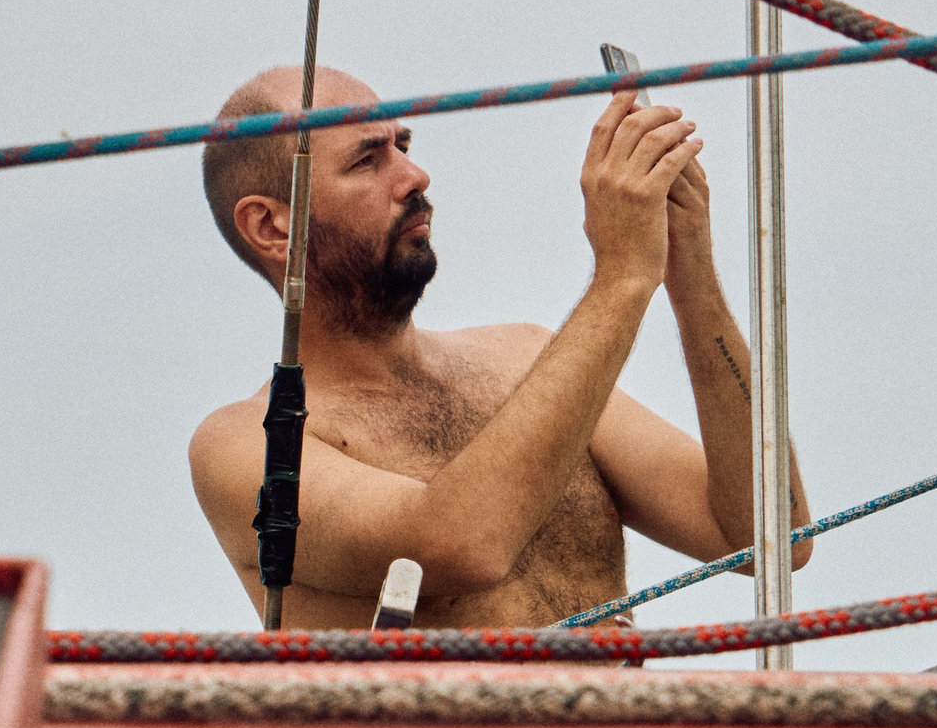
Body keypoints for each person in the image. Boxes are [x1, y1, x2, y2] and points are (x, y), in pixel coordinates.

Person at [189, 65, 811, 630]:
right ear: (271, 225)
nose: (414, 175)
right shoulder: (246, 446)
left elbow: (772, 537)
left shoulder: (522, 358)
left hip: (637, 721)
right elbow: (462, 545)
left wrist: (690, 273)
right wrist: (622, 276)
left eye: (403, 146)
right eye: (367, 160)